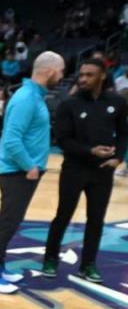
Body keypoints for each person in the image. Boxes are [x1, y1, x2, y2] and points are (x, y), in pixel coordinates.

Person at [0, 51, 66, 294]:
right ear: (49, 71)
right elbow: (11, 140)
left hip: (24, 171)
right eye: (60, 71)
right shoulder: (26, 98)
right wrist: (29, 165)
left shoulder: (34, 96)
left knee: (12, 221)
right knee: (7, 223)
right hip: (18, 172)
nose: (61, 76)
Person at [43, 59, 127, 284]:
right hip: (74, 169)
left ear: (102, 76)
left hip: (102, 172)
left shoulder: (117, 102)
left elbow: (123, 133)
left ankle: (88, 264)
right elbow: (63, 140)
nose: (83, 79)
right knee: (63, 216)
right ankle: (50, 259)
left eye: (89, 75)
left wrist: (118, 157)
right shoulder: (69, 104)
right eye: (81, 75)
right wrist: (91, 151)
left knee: (96, 220)